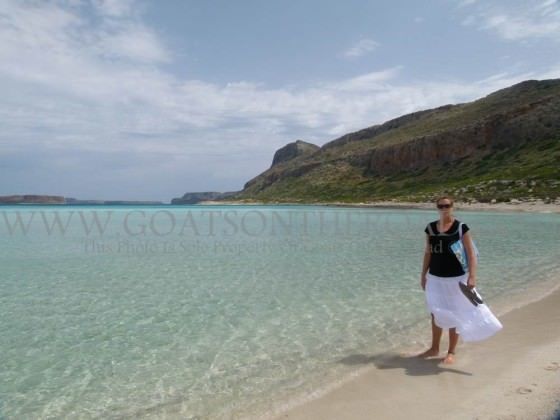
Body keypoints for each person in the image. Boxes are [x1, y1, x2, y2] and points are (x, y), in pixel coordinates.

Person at [417, 195, 503, 364]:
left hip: (457, 278)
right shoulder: (431, 228)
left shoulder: (460, 227)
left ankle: (451, 352)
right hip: (435, 277)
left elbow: (471, 253)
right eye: (440, 206)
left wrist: (472, 276)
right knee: (436, 312)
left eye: (447, 205)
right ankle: (434, 348)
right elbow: (428, 252)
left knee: (456, 312)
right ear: (437, 208)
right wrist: (423, 275)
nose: (444, 209)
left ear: (452, 206)